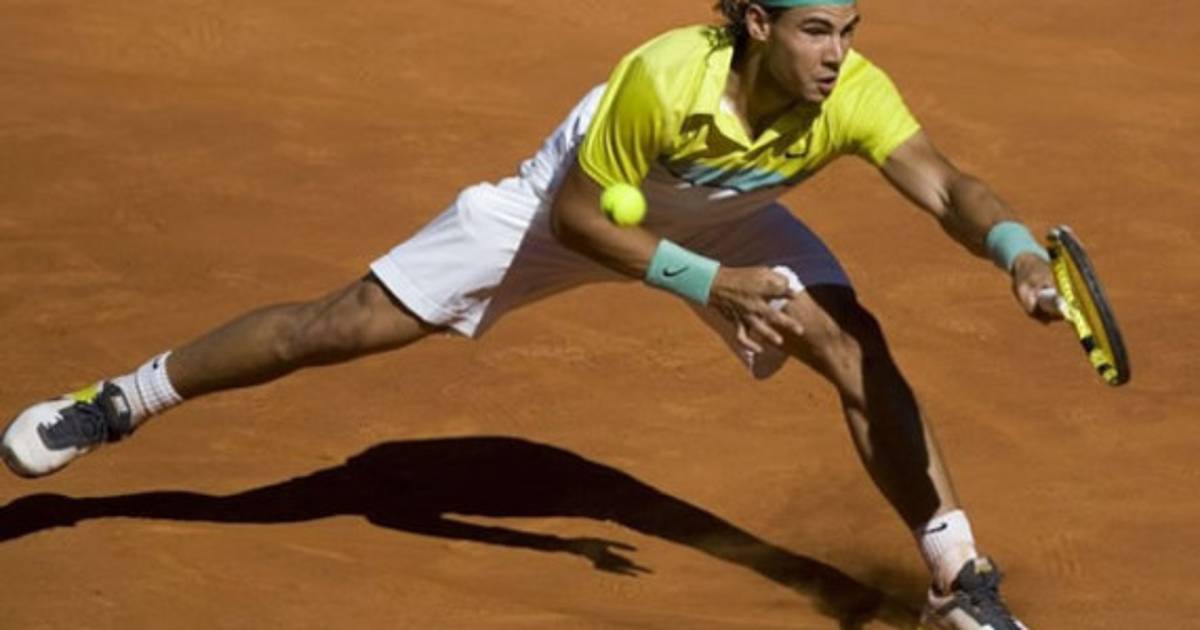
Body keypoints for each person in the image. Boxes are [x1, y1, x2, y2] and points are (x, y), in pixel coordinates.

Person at [3, 1, 1055, 628]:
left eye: (850, 29)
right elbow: (582, 220)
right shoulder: (662, 79)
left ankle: (955, 580)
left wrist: (1014, 250)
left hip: (729, 217)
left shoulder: (854, 93)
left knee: (854, 344)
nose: (838, 52)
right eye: (817, 30)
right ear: (754, 23)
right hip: (568, 204)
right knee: (338, 325)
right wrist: (707, 282)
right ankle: (118, 401)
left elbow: (948, 187)